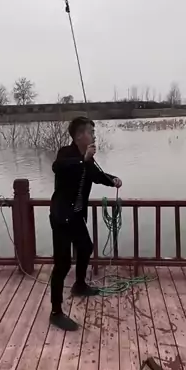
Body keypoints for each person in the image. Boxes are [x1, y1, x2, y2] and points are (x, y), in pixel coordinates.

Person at [49, 116, 122, 330]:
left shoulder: (87, 160)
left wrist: (113, 180)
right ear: (79, 135)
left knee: (86, 247)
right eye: (91, 132)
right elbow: (58, 167)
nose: (94, 136)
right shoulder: (66, 153)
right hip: (62, 217)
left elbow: (97, 176)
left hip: (76, 217)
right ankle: (55, 312)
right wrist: (83, 159)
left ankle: (79, 285)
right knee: (62, 265)